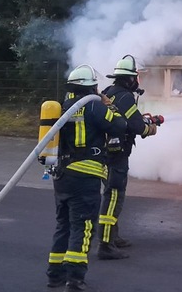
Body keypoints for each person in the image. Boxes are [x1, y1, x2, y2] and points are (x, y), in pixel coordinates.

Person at [46, 64, 128, 291]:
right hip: (85, 176)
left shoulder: (63, 107)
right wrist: (110, 104)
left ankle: (54, 276)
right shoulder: (94, 107)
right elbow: (120, 125)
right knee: (82, 228)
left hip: (61, 175)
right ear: (92, 86)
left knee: (63, 225)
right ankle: (75, 279)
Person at [97, 55, 160, 260]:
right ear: (129, 79)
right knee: (114, 196)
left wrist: (145, 120)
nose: (137, 81)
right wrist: (150, 128)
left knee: (112, 194)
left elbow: (127, 118)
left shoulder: (109, 93)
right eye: (135, 77)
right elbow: (136, 126)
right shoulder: (125, 96)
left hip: (106, 153)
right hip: (116, 156)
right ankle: (106, 245)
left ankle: (113, 237)